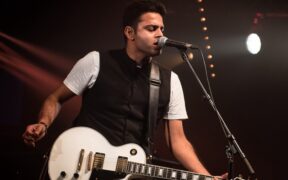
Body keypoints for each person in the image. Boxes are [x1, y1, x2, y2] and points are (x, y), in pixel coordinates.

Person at [22, 0, 227, 179]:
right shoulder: (96, 62)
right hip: (82, 166)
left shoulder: (170, 81)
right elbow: (55, 98)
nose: (161, 35)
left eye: (162, 29)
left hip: (131, 172)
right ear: (130, 33)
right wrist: (43, 123)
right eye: (151, 28)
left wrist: (208, 178)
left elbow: (178, 142)